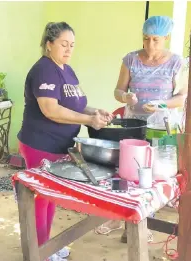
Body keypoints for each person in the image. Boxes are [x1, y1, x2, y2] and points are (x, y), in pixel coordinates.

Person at [17, 21, 113, 260]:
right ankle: (39, 250)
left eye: (72, 45)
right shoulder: (44, 69)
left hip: (60, 145)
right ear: (49, 44)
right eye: (63, 44)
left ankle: (46, 244)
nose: (69, 49)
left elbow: (73, 104)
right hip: (41, 144)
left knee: (51, 197)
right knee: (41, 197)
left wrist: (93, 112)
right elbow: (51, 109)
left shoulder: (66, 69)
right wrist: (88, 121)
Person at [95, 16, 187, 242]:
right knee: (126, 171)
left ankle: (143, 220)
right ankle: (118, 216)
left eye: (156, 40)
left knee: (152, 177)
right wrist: (125, 96)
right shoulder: (131, 60)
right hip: (134, 124)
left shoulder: (176, 63)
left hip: (160, 128)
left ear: (166, 38)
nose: (150, 45)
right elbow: (118, 90)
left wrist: (160, 104)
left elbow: (181, 98)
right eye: (146, 39)